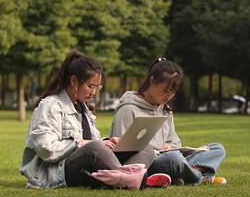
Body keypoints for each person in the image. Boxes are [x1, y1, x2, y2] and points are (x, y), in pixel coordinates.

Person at [20, 51, 171, 189]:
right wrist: (86, 143)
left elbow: (93, 143)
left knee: (145, 148)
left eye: (97, 87)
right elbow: (46, 149)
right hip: (57, 171)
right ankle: (137, 179)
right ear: (73, 81)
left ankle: (124, 179)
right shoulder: (51, 105)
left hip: (87, 165)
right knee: (96, 148)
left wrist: (109, 142)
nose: (94, 92)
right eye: (90, 86)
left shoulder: (83, 108)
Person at [110, 58, 227, 185]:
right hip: (146, 163)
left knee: (217, 149)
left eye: (173, 92)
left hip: (168, 157)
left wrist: (170, 146)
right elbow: (121, 151)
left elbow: (174, 142)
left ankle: (184, 174)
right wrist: (156, 152)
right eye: (165, 90)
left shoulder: (165, 110)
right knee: (173, 159)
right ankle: (197, 178)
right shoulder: (128, 109)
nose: (168, 96)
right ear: (152, 81)